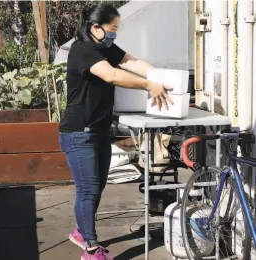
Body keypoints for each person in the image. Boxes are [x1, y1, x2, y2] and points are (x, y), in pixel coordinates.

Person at [58, 3, 173, 260]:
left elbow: (132, 62)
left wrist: (160, 77)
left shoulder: (105, 47)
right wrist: (148, 85)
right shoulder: (82, 51)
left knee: (96, 188)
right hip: (78, 132)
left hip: (98, 131)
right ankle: (90, 248)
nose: (114, 34)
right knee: (87, 190)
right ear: (95, 27)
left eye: (116, 29)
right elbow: (112, 75)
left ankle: (81, 231)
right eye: (112, 29)